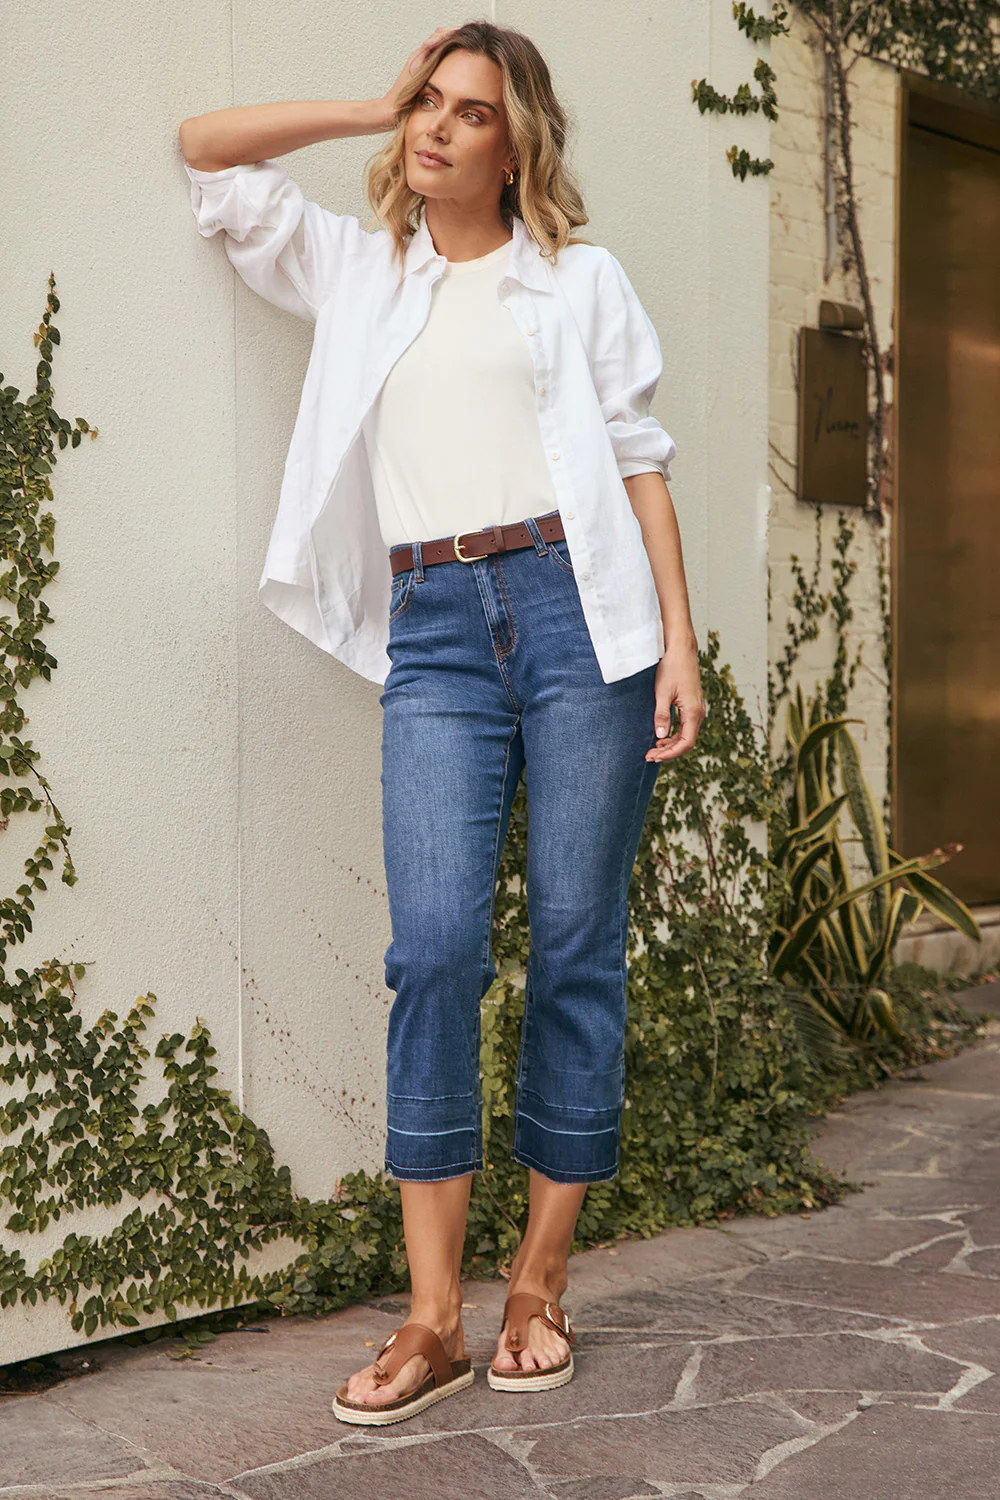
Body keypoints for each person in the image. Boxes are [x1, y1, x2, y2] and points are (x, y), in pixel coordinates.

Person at [179, 19, 705, 1427]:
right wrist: (371, 99)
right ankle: (431, 1318)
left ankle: (539, 1281)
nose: (436, 127)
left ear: (515, 144)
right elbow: (206, 155)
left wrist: (678, 643)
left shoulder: (580, 282)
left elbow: (640, 465)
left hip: (584, 616)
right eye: (428, 104)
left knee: (578, 946)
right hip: (436, 632)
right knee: (433, 952)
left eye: (470, 112)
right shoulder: (359, 270)